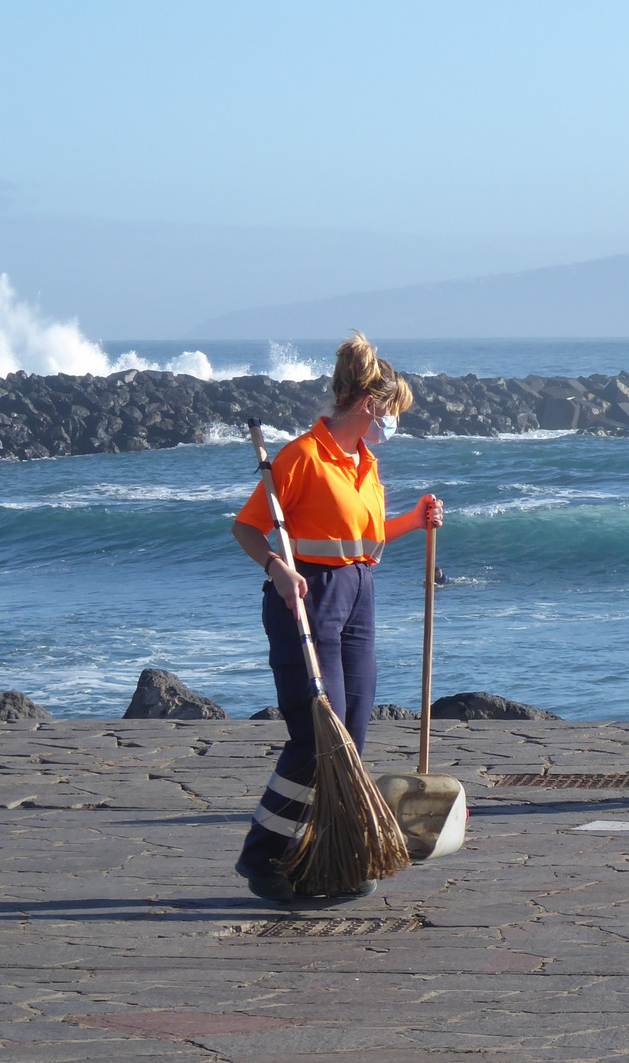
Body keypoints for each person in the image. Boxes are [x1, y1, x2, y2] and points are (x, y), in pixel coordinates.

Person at [230, 332, 443, 902]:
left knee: (352, 733)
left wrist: (416, 520)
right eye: (392, 413)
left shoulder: (364, 462)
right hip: (310, 595)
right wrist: (277, 568)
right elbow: (247, 526)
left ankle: (319, 857)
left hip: (359, 592)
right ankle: (264, 857)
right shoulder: (303, 456)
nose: (392, 425)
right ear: (370, 405)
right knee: (316, 734)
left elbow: (363, 538)